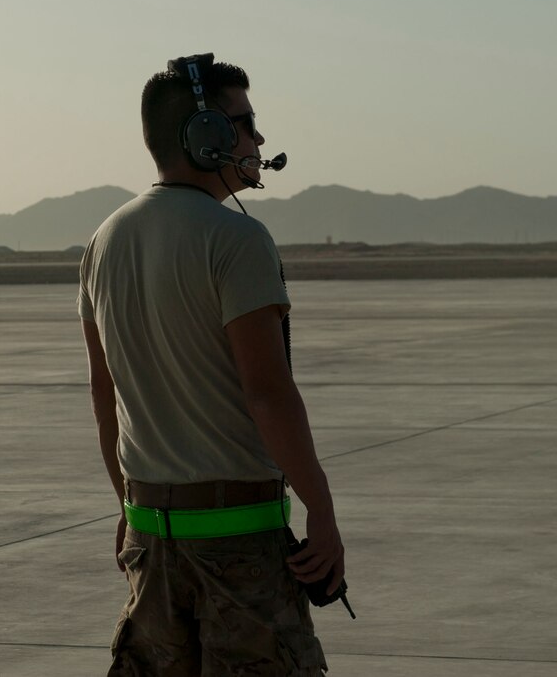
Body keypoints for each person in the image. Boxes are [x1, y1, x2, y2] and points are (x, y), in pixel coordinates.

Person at [78, 53, 344, 675]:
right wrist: (323, 515)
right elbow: (268, 395)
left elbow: (104, 395)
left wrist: (127, 510)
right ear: (207, 136)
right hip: (240, 550)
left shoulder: (102, 241)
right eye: (244, 123)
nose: (257, 139)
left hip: (149, 539)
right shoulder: (238, 240)